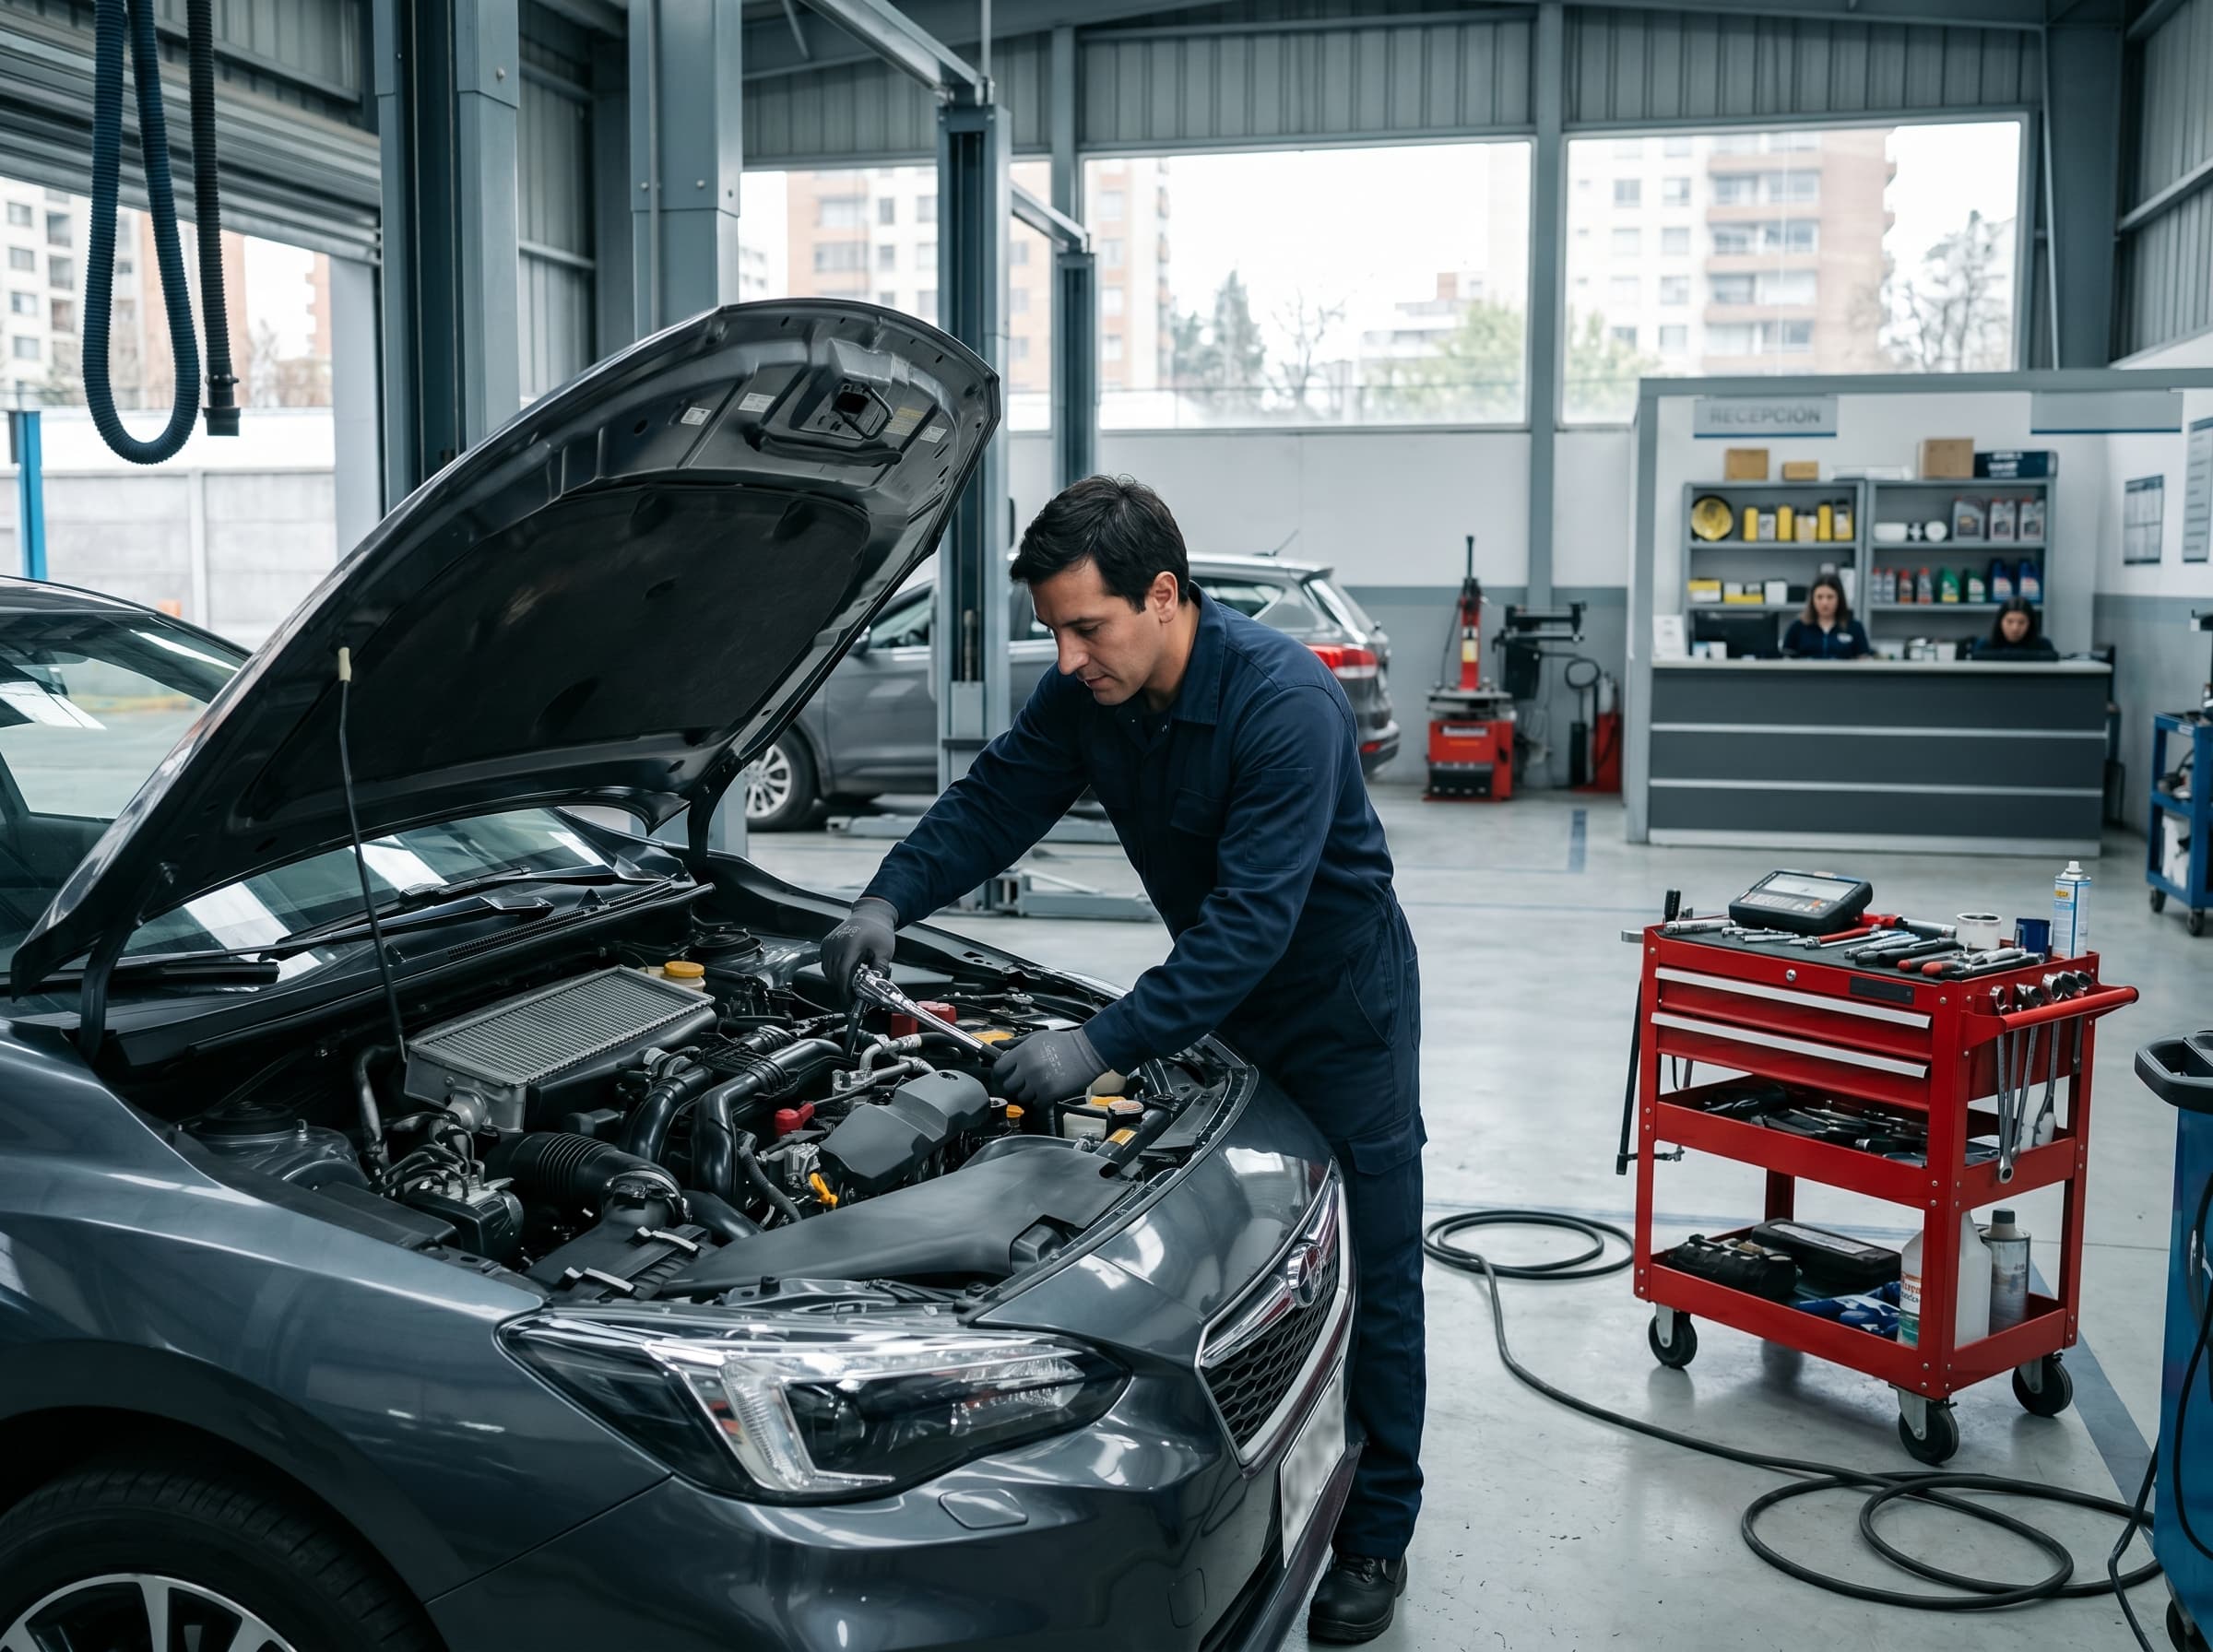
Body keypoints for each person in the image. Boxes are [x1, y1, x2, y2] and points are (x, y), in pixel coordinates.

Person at [820, 476, 1426, 1645]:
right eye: (1053, 629)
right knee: (1237, 1265)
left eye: (1086, 627)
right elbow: (997, 801)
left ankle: (1377, 1529)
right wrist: (887, 898)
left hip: (1337, 1010)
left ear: (1161, 594)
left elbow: (1250, 925)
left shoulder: (1285, 703)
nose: (1068, 656)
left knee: (1377, 1261)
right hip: (1219, 1004)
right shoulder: (1092, 693)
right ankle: (1244, 1487)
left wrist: (1099, 1045)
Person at [1781, 573, 1871, 660]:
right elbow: (1786, 660)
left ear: (1839, 599)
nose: (1825, 603)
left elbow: (1863, 660)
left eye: (1830, 597)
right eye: (1819, 597)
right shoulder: (1797, 627)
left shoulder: (1855, 627)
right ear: (1812, 599)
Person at [1972, 597, 2058, 661]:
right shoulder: (1985, 645)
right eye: (2009, 622)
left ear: (2030, 623)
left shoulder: (2043, 646)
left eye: (2021, 622)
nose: (2015, 628)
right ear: (2000, 622)